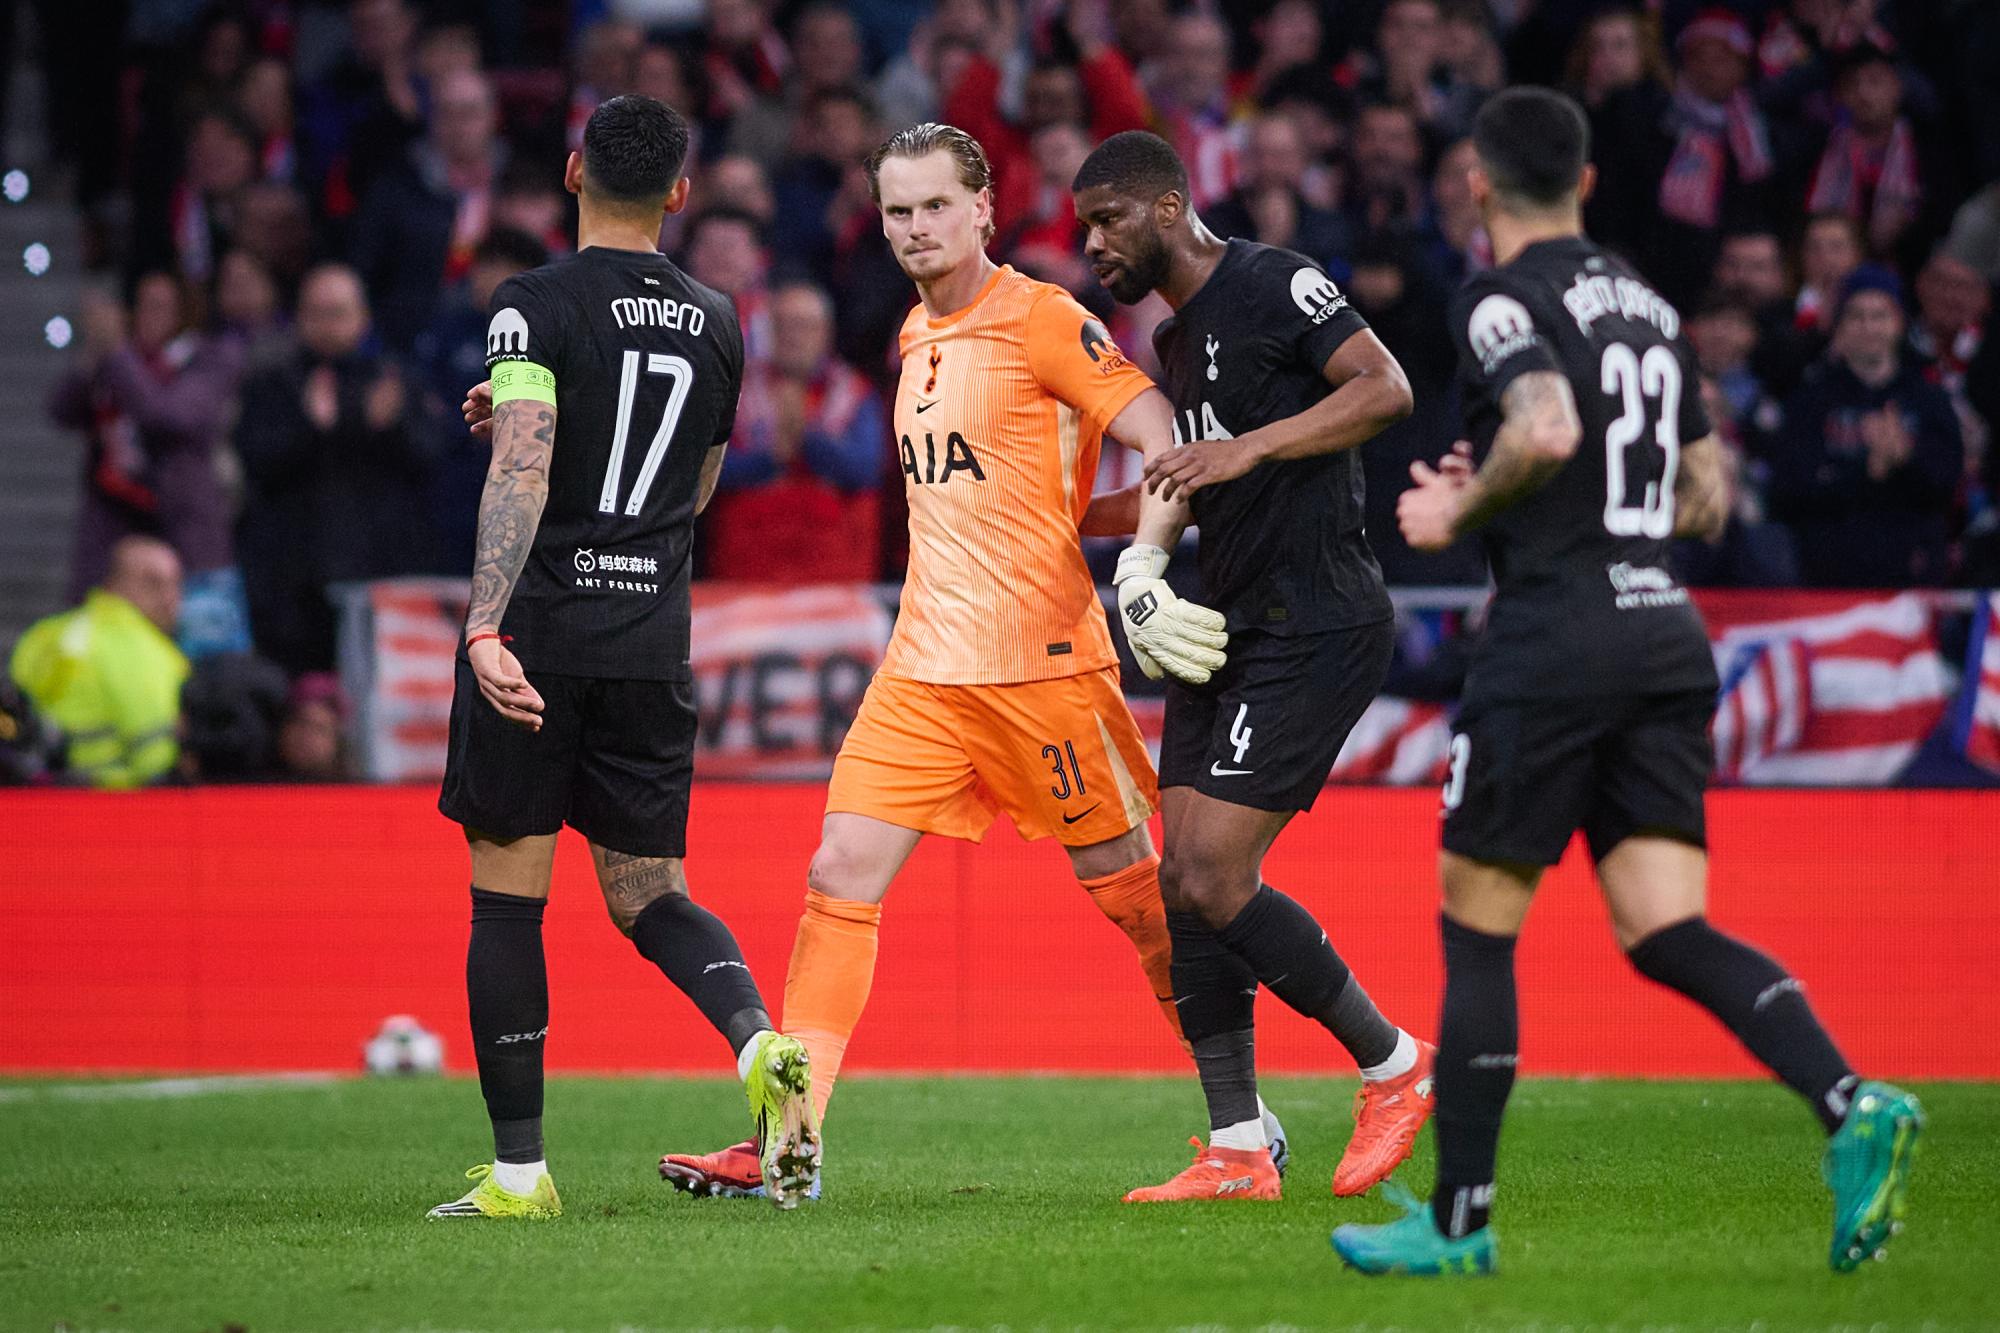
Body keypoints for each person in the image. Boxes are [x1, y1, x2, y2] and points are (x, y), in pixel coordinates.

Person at [1332, 87, 1923, 1277]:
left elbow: (1545, 429)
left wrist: (1465, 500)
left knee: (1478, 927)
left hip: (1553, 640)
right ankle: (1850, 1100)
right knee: (1664, 927)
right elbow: (1702, 495)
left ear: (1478, 187)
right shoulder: (1648, 308)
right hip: (1663, 634)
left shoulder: (1500, 295)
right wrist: (1544, 489)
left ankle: (1457, 1225)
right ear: (1589, 182)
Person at [651, 121, 1271, 1201]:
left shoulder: (1040, 320)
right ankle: (787, 1140)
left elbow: (1160, 429)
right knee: (835, 877)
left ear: (984, 209)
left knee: (1139, 905)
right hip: (924, 672)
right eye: (896, 211)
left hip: (1044, 673)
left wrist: (1144, 567)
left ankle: (1239, 1121)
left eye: (935, 205)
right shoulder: (912, 336)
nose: (915, 229)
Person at [430, 95, 819, 1220]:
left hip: (542, 631)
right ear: (680, 195)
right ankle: (756, 1046)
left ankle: (518, 1179)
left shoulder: (531, 303)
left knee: (507, 898)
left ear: (570, 172)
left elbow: (525, 471)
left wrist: (483, 624)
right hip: (653, 633)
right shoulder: (717, 319)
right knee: (651, 893)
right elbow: (692, 481)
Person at [1072, 131, 1435, 1204]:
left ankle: (1394, 1065)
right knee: (1180, 885)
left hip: (1312, 619)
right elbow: (1182, 482)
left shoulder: (1275, 280)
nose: (1092, 242)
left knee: (1215, 873)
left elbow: (1385, 389)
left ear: (1171, 207)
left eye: (1109, 219)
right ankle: (1236, 1146)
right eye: (1084, 225)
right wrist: (1049, 520)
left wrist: (1247, 447)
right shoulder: (1178, 342)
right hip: (1217, 629)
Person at [1768, 266, 1963, 588]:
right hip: (1828, 574)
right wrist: (1865, 473)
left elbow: (1947, 484)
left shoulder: (1928, 398)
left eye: (1879, 315)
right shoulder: (1811, 399)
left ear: (1899, 323)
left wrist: (1905, 460)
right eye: (1857, 316)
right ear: (1839, 326)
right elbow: (1788, 488)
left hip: (1912, 572)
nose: (1869, 327)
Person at [9, 536, 187, 790]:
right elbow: (158, 760)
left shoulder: (42, 636)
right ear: (115, 583)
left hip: (33, 799)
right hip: (113, 806)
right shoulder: (143, 649)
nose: (169, 598)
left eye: (176, 583)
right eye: (152, 583)